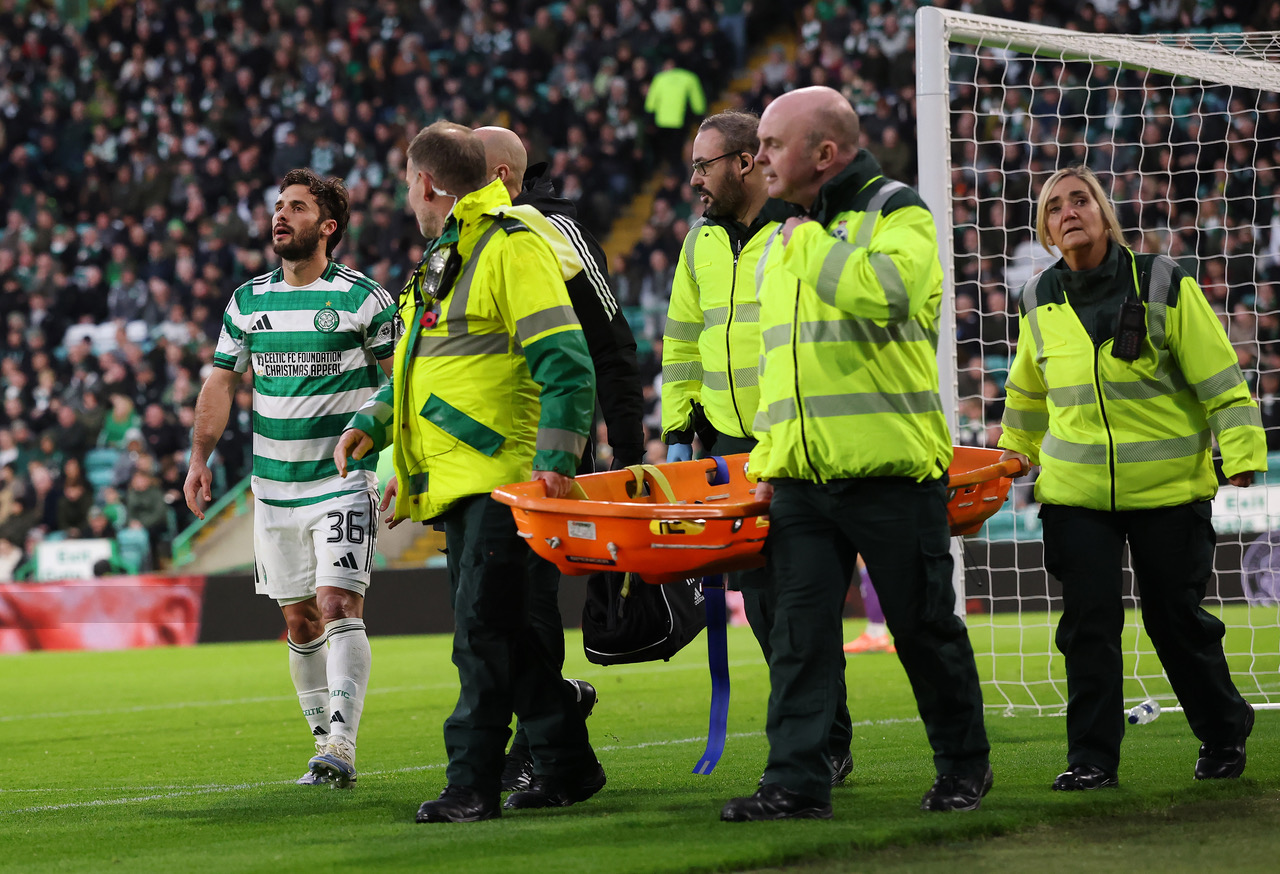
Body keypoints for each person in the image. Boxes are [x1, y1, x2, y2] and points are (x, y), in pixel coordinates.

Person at [721, 86, 992, 822]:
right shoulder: (788, 231)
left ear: (825, 153)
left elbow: (892, 294)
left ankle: (964, 767)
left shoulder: (895, 211)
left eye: (773, 145)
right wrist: (772, 461)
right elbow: (784, 367)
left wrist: (806, 241)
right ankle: (795, 783)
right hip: (804, 479)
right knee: (799, 641)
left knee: (924, 630)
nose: (762, 158)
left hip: (889, 473)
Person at [334, 121, 605, 823]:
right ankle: (568, 760)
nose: (404, 195)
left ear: (425, 182)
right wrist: (377, 425)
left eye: (404, 182)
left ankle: (472, 784)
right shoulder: (448, 255)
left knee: (482, 638)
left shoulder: (511, 245)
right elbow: (428, 372)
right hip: (459, 479)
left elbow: (567, 363)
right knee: (503, 636)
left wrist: (554, 464)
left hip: (504, 478)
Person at [997, 166, 1262, 791]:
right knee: (1087, 628)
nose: (1069, 211)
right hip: (1074, 495)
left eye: (1080, 199)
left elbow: (1219, 376)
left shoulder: (1164, 282)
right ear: (1045, 228)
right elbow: (1027, 394)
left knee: (1177, 623)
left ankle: (1224, 729)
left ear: (1104, 213)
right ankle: (1091, 760)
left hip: (1170, 493)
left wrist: (1242, 448)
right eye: (1055, 205)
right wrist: (1012, 454)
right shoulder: (1036, 298)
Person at [184, 169, 399, 790]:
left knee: (337, 606)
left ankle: (342, 744)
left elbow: (400, 383)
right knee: (299, 621)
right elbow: (221, 381)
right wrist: (199, 459)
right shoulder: (248, 300)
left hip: (343, 480)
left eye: (297, 208)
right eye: (278, 207)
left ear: (327, 227)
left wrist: (395, 463)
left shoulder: (365, 300)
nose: (281, 216)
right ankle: (321, 748)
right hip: (272, 489)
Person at [661, 109, 854, 786]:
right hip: (727, 448)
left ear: (745, 162)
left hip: (798, 442)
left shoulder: (801, 232)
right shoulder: (697, 246)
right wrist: (678, 428)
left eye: (704, 165)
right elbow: (683, 341)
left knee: (796, 601)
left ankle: (822, 743)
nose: (695, 181)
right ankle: (826, 739)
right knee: (771, 607)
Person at [474, 125, 646, 792]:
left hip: (548, 453)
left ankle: (544, 744)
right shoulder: (464, 240)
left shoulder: (551, 231)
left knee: (529, 600)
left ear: (503, 176)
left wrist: (627, 454)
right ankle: (552, 723)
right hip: (485, 458)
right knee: (503, 607)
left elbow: (611, 346)